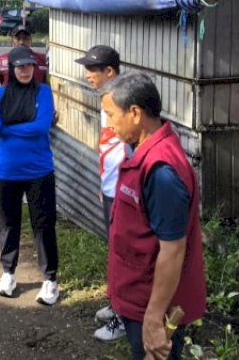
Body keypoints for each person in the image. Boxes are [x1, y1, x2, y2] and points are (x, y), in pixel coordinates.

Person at [101, 72, 205, 360]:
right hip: (137, 295)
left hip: (152, 304)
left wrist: (154, 317)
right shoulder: (141, 151)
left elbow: (172, 250)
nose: (109, 124)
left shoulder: (161, 171)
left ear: (135, 113)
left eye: (111, 115)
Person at [0, 45, 60, 305]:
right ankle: (8, 273)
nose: (25, 70)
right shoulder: (0, 93)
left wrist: (7, 130)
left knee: (43, 224)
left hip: (39, 170)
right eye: (20, 66)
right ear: (11, 69)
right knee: (9, 224)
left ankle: (50, 280)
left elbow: (41, 127)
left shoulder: (43, 92)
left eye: (29, 65)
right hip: (8, 171)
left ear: (35, 68)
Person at [75, 45, 127, 341]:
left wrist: (120, 187)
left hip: (122, 191)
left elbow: (130, 149)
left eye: (92, 70)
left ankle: (124, 317)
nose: (87, 75)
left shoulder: (123, 100)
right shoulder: (108, 98)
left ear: (109, 71)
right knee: (115, 251)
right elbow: (108, 146)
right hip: (110, 188)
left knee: (123, 255)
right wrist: (102, 183)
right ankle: (118, 304)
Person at [0, 25, 48, 103]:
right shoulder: (3, 60)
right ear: (12, 41)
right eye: (18, 38)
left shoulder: (42, 60)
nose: (21, 42)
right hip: (9, 105)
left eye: (25, 38)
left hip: (35, 105)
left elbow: (50, 87)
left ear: (30, 41)